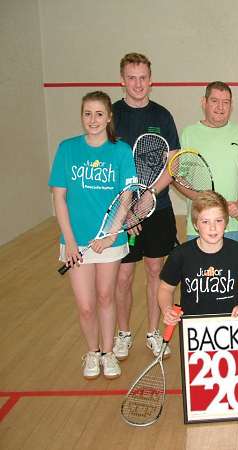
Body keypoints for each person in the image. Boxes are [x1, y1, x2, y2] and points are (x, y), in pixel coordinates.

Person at [49, 91, 137, 380]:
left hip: (110, 242)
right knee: (85, 307)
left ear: (109, 117)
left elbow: (126, 198)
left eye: (99, 114)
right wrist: (70, 240)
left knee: (105, 296)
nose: (93, 120)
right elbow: (59, 198)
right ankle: (93, 352)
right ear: (82, 116)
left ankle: (109, 352)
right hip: (76, 242)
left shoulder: (121, 152)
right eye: (88, 113)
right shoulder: (67, 149)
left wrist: (112, 234)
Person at [111, 53, 180, 361]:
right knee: (123, 276)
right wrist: (126, 210)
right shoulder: (111, 115)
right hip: (122, 211)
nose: (138, 84)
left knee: (155, 271)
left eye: (143, 78)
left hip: (158, 208)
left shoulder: (163, 116)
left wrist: (150, 195)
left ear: (151, 80)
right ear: (122, 80)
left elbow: (173, 163)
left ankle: (154, 332)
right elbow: (107, 167)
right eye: (131, 78)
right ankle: (124, 334)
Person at [159, 191, 238, 324]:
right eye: (205, 222)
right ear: (195, 225)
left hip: (231, 324)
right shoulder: (180, 254)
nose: (212, 227)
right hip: (193, 328)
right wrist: (167, 309)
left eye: (218, 220)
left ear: (226, 223)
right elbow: (165, 289)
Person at [180, 81, 238, 247]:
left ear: (231, 106)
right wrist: (203, 201)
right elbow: (179, 178)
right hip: (199, 224)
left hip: (235, 223)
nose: (220, 107)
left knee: (235, 273)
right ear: (203, 102)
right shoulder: (189, 133)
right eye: (214, 101)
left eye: (225, 102)